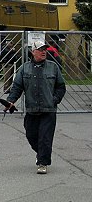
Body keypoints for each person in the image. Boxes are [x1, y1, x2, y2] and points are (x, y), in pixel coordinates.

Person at [5, 40, 66, 175]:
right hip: (32, 109)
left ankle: (42, 162)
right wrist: (11, 101)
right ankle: (41, 153)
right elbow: (17, 87)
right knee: (31, 135)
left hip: (48, 110)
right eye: (40, 49)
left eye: (45, 49)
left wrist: (54, 100)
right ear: (33, 52)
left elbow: (61, 87)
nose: (44, 52)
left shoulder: (53, 67)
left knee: (45, 137)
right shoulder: (24, 68)